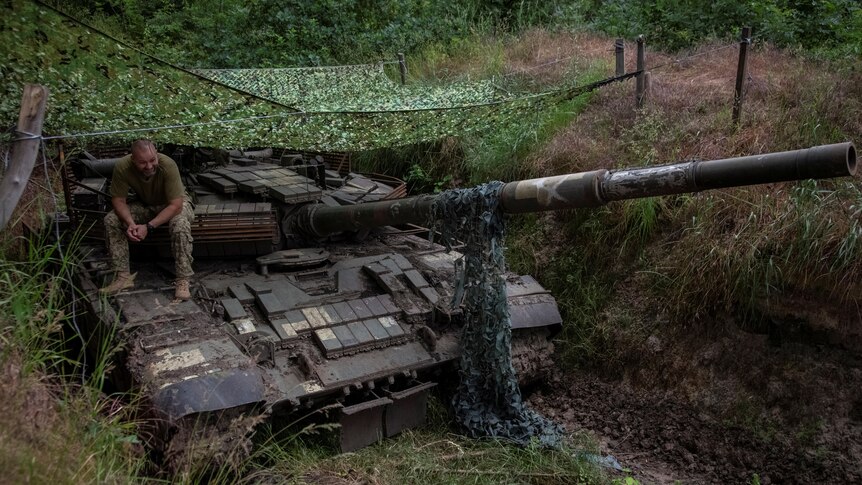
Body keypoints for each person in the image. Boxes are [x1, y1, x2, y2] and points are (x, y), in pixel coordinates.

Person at [100, 140, 195, 300]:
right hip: (146, 204)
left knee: (180, 224)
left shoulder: (168, 165)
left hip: (175, 203)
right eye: (142, 163)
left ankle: (183, 279)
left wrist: (148, 227)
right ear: (133, 160)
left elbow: (176, 206)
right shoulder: (123, 167)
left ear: (156, 154)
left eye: (152, 160)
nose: (149, 166)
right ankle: (123, 277)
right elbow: (118, 201)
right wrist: (130, 223)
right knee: (111, 220)